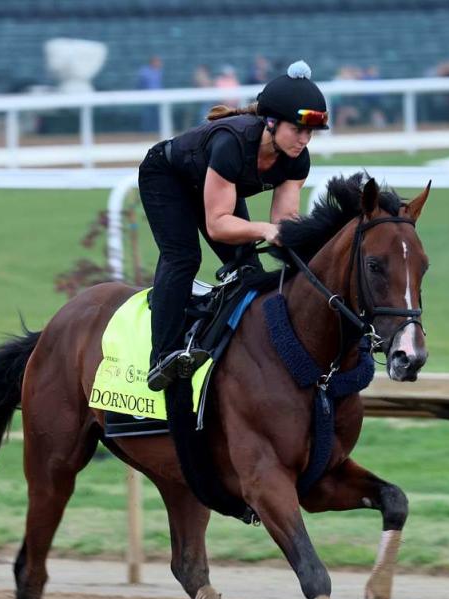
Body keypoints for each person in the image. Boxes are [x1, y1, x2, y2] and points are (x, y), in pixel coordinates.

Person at [138, 60, 327, 390]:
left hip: (214, 186)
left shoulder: (298, 159)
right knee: (183, 257)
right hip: (167, 177)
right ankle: (162, 357)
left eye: (310, 131)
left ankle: (236, 353)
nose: (304, 139)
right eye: (298, 129)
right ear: (271, 122)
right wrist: (265, 230)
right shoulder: (233, 143)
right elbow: (218, 225)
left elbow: (284, 225)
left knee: (247, 270)